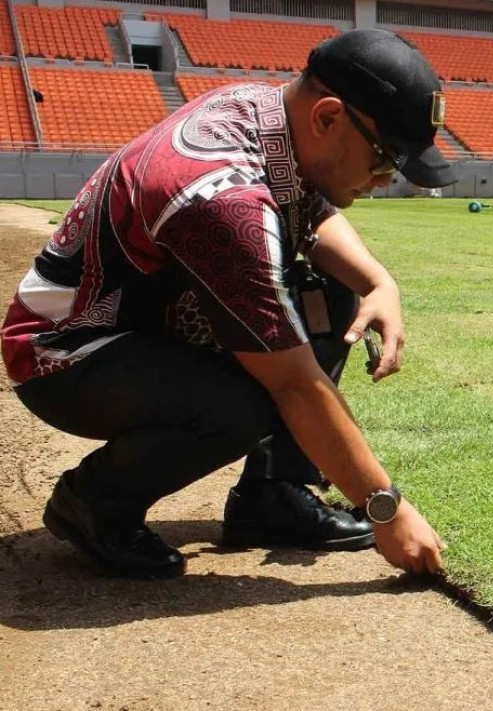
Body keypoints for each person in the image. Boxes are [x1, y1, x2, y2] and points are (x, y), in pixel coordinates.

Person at [1, 28, 452, 579]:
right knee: (243, 406)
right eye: (384, 157)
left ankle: (273, 497)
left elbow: (306, 205)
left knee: (329, 291)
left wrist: (381, 284)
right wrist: (387, 509)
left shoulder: (262, 109)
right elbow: (295, 384)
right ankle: (95, 501)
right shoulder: (221, 200)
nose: (385, 180)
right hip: (63, 355)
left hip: (139, 319)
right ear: (328, 118)